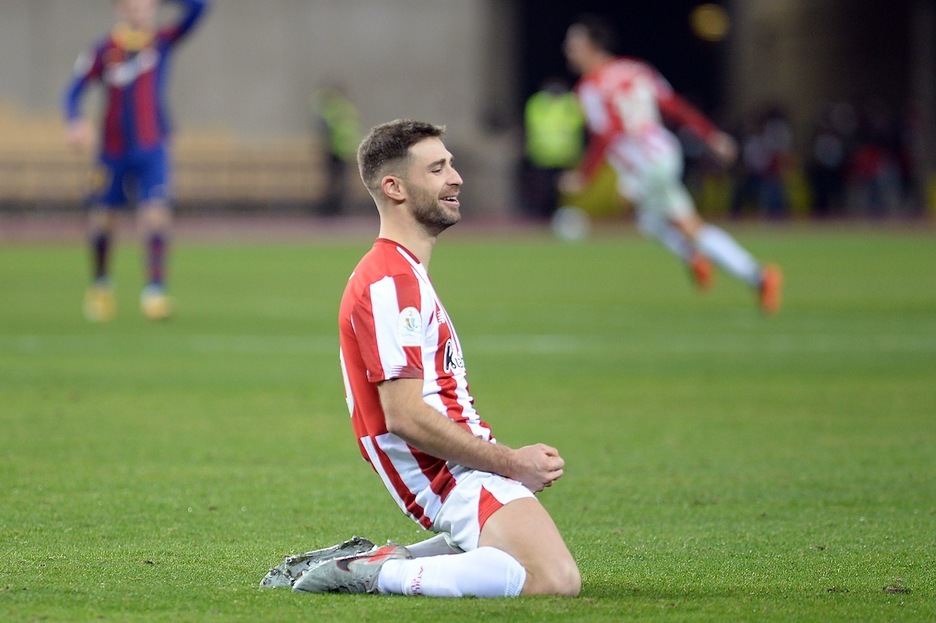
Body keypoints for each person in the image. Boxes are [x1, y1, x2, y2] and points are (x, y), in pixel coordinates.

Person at [261, 119, 581, 598]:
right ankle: (374, 574)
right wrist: (509, 463)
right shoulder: (391, 282)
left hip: (459, 468)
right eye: (437, 169)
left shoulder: (402, 273)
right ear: (394, 187)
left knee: (526, 566)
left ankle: (389, 559)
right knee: (554, 581)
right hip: (452, 473)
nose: (456, 178)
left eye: (450, 164)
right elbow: (404, 413)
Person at [560, 15, 783, 315]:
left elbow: (605, 134)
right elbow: (674, 105)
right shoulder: (637, 69)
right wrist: (711, 135)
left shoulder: (589, 88)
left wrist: (583, 176)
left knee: (686, 226)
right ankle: (703, 260)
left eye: (574, 44)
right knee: (650, 221)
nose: (568, 50)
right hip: (664, 151)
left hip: (646, 164)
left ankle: (755, 274)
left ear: (593, 46)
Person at [63, 0, 210, 322]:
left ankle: (154, 292)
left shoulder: (160, 42)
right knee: (102, 220)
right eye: (132, 4)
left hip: (151, 147)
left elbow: (200, 8)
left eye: (144, 4)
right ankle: (101, 286)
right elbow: (73, 90)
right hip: (111, 151)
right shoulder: (104, 50)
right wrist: (74, 120)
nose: (138, 10)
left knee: (156, 216)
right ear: (119, 8)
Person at [522, 77, 586, 219]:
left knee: (567, 193)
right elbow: (532, 125)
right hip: (541, 157)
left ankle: (564, 218)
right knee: (543, 193)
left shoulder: (571, 102)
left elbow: (581, 124)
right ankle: (542, 220)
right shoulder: (537, 103)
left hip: (566, 157)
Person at [310, 84, 362, 216]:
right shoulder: (349, 109)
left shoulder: (332, 109)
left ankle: (334, 208)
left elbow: (325, 130)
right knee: (342, 181)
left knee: (334, 181)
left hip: (335, 149)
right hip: (346, 148)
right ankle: (342, 208)